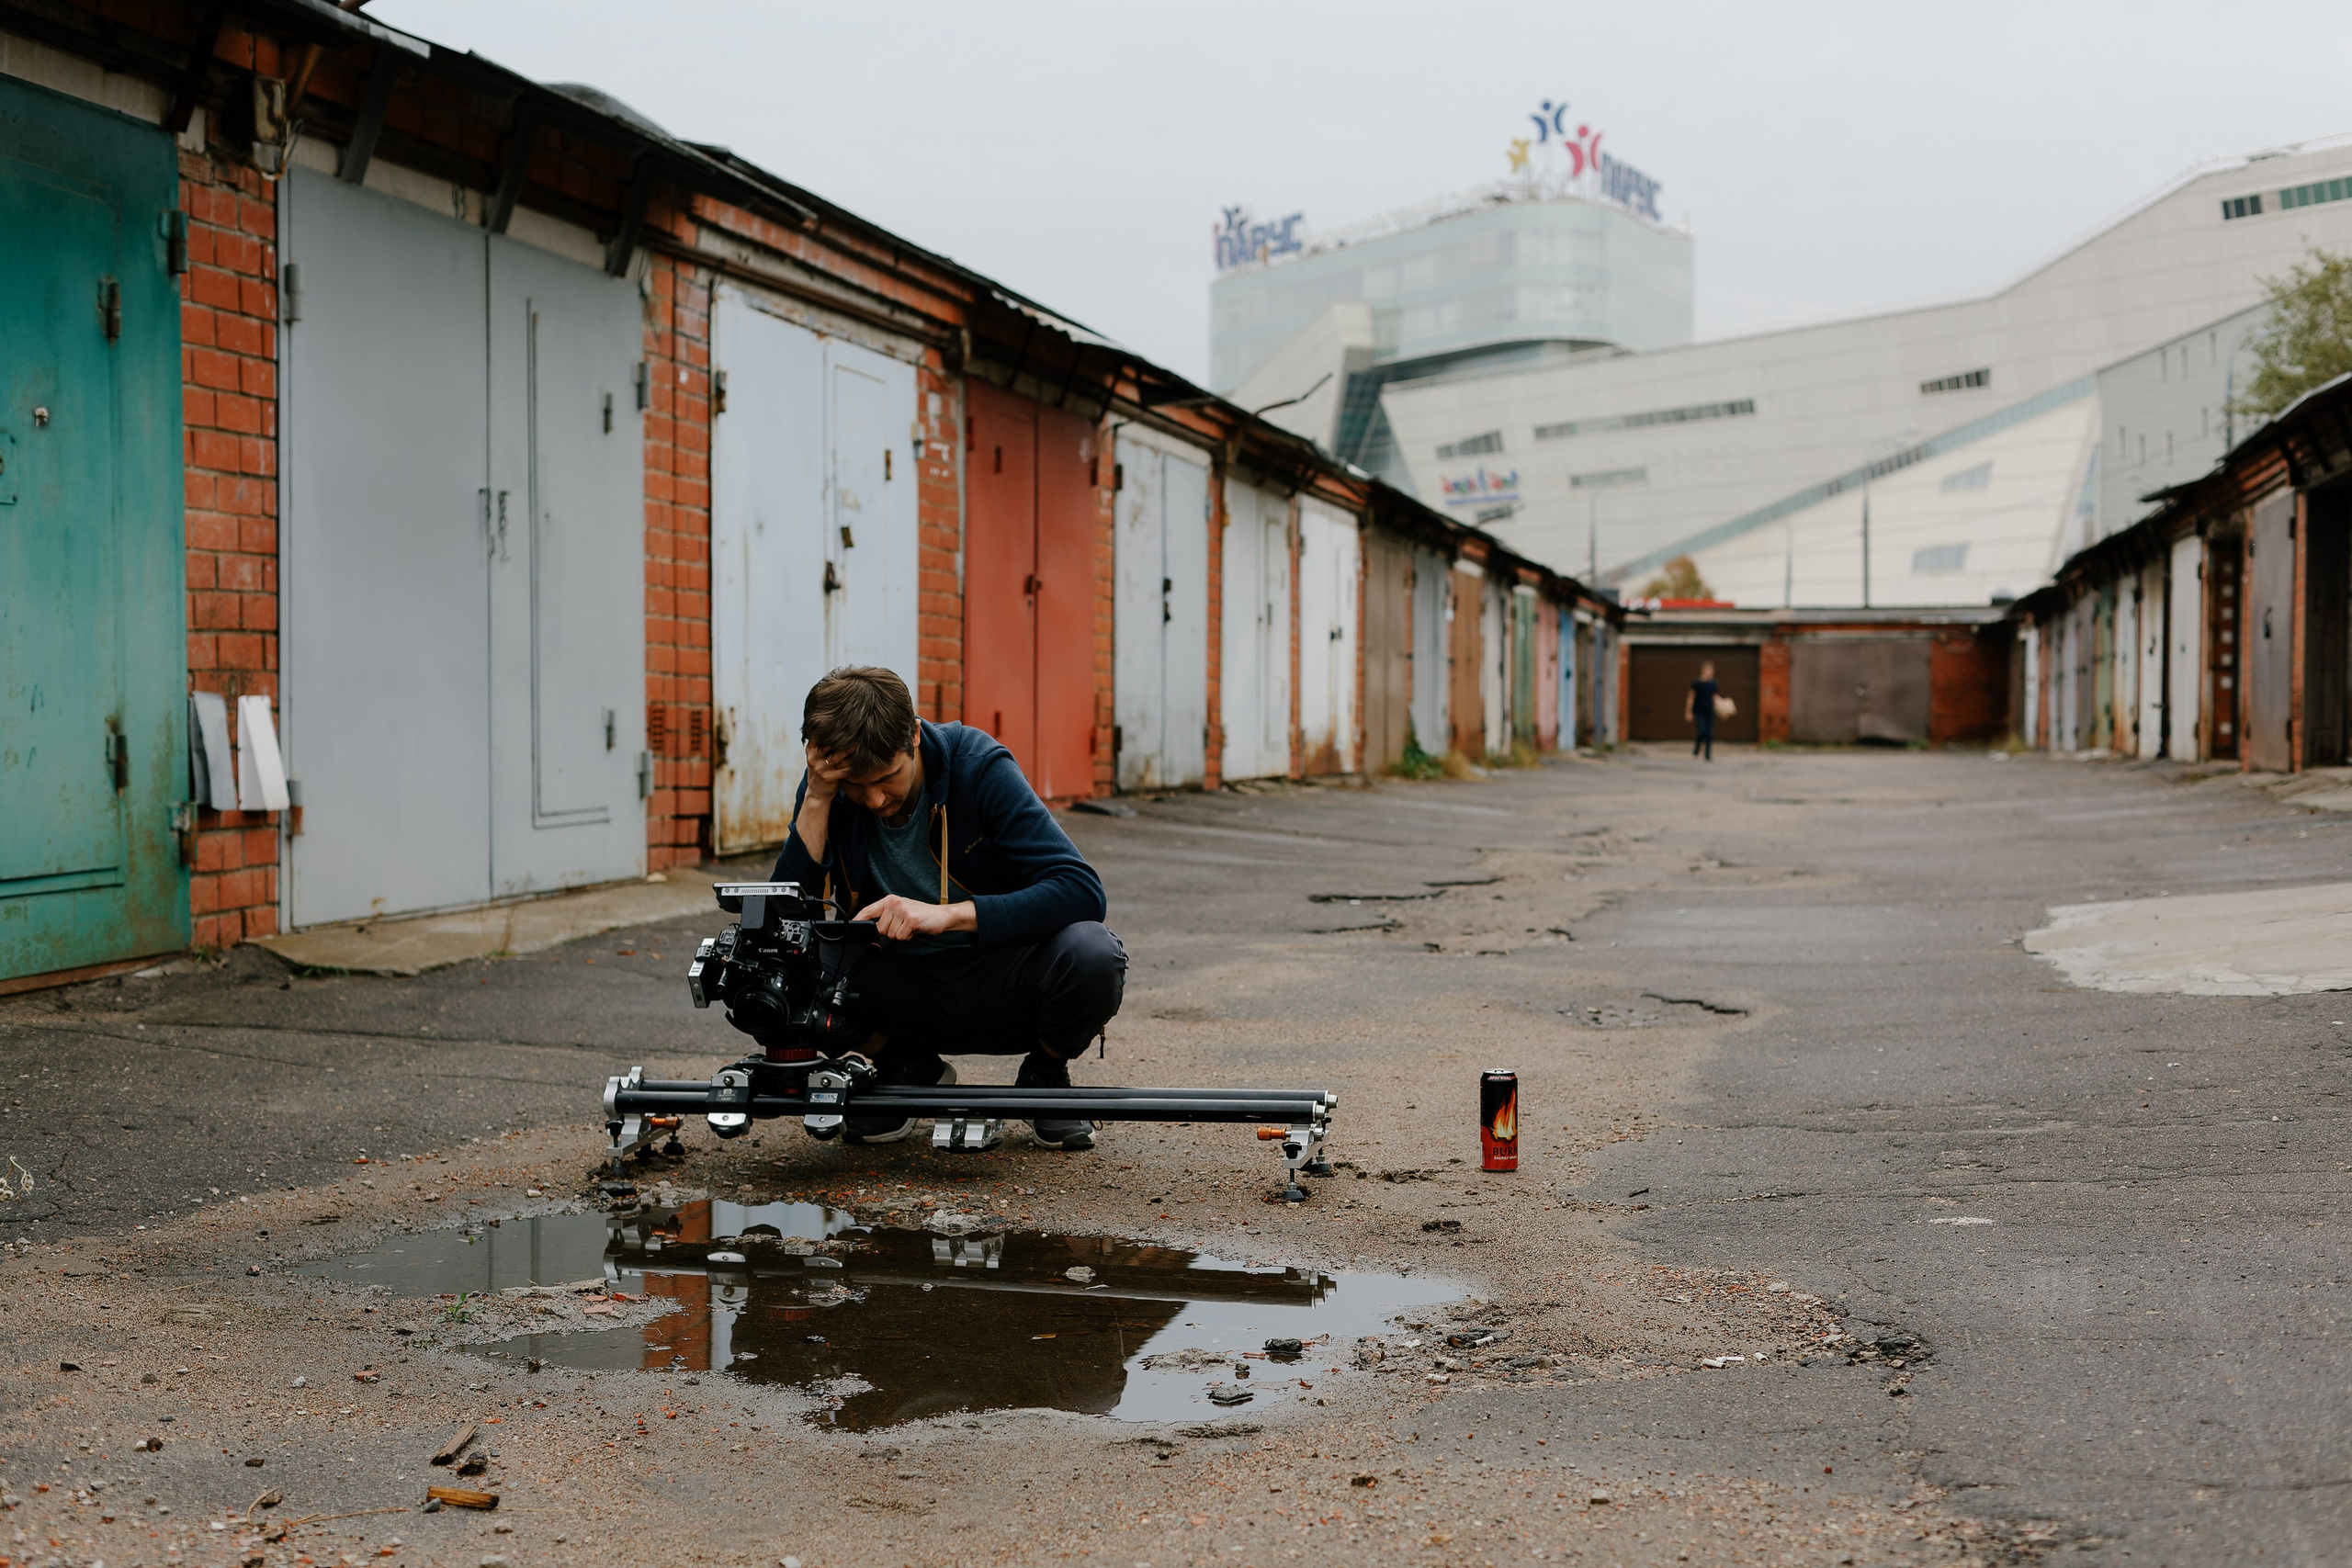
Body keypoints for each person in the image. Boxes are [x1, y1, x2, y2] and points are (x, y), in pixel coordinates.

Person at [771, 666, 1125, 1150]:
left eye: (887, 778)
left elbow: (1082, 890)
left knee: (1093, 953)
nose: (874, 799)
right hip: (898, 988)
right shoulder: (829, 786)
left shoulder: (978, 766)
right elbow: (783, 923)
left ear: (914, 735)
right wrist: (816, 798)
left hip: (1003, 981)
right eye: (857, 785)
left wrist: (952, 914)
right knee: (767, 965)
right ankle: (907, 1067)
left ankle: (1044, 1075)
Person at [1684, 660, 1719, 761]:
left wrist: (1723, 706)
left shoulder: (1713, 683)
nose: (1710, 672)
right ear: (1703, 670)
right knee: (1702, 730)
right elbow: (1691, 697)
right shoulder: (1696, 683)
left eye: (1711, 670)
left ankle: (1707, 754)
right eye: (1708, 670)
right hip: (1699, 711)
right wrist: (1688, 712)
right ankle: (1697, 748)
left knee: (1709, 733)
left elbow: (1715, 697)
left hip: (1710, 710)